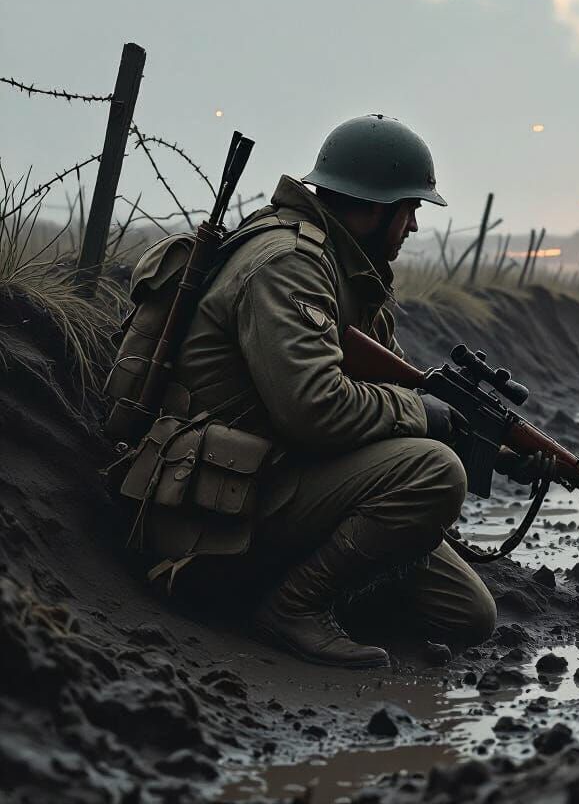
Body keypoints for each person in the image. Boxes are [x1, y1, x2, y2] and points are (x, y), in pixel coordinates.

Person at [137, 115, 497, 668]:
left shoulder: (344, 269)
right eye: (411, 210)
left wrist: (483, 435)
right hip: (216, 510)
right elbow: (316, 408)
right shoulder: (289, 265)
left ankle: (312, 588)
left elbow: (378, 383)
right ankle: (291, 609)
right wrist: (421, 413)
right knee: (434, 472)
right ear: (375, 208)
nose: (415, 227)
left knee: (467, 614)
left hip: (280, 479)